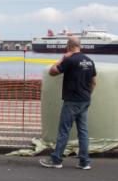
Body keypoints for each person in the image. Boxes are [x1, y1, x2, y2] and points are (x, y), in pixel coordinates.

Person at [40, 36, 98, 170]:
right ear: (80, 46)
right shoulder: (89, 61)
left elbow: (52, 72)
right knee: (83, 131)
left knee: (64, 131)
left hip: (72, 100)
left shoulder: (70, 60)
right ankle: (84, 162)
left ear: (69, 46)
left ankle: (56, 160)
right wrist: (88, 94)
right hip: (85, 100)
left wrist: (62, 58)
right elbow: (94, 81)